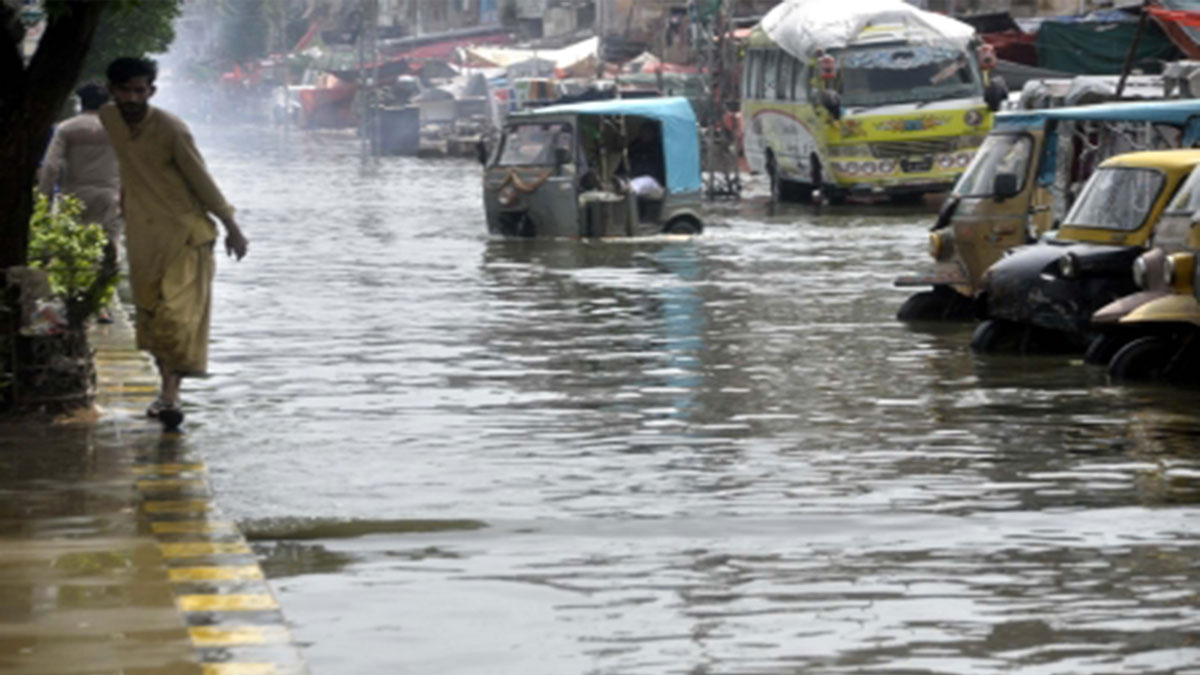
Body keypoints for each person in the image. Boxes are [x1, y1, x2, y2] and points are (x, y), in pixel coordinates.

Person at [99, 57, 249, 429]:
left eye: (140, 90)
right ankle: (165, 396)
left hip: (185, 234)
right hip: (143, 235)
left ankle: (170, 396)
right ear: (112, 91)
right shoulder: (109, 119)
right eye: (125, 90)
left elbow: (202, 180)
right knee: (150, 314)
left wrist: (232, 226)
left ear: (152, 91)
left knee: (177, 319)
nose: (132, 98)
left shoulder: (171, 129)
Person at [37, 82, 122, 321]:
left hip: (73, 194)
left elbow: (51, 166)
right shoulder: (118, 129)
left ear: (80, 102)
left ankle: (70, 296)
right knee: (109, 248)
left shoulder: (67, 128)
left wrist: (44, 200)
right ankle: (102, 305)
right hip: (110, 194)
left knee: (69, 249)